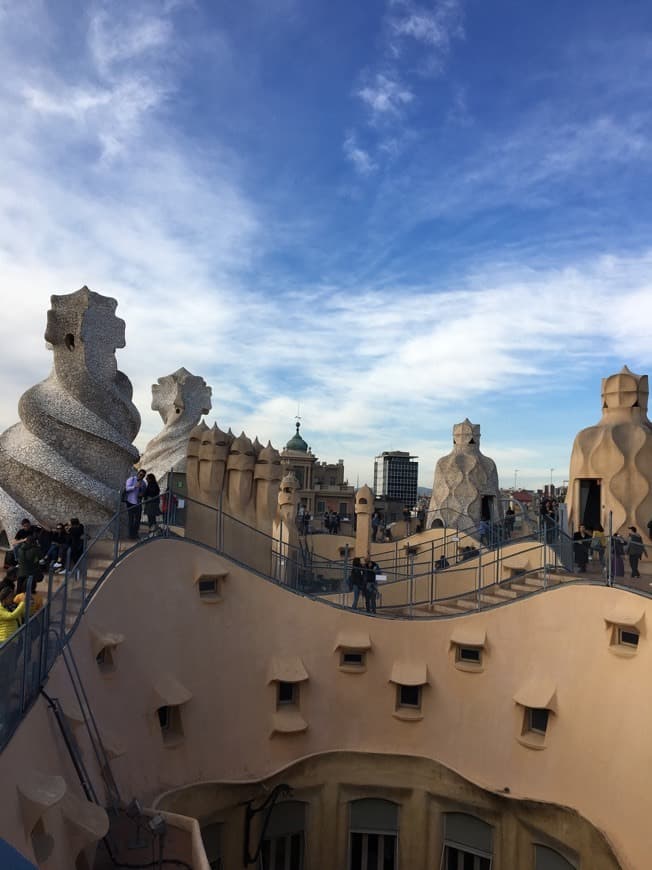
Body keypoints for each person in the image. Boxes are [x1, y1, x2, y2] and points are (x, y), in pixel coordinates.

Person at [125, 468, 147, 539]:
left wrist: (142, 494)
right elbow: (127, 489)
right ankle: (130, 535)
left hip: (138, 503)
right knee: (131, 520)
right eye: (140, 475)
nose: (141, 476)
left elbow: (144, 492)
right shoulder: (131, 479)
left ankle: (135, 534)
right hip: (130, 502)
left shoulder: (143, 483)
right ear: (138, 474)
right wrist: (134, 486)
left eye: (143, 476)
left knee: (137, 520)